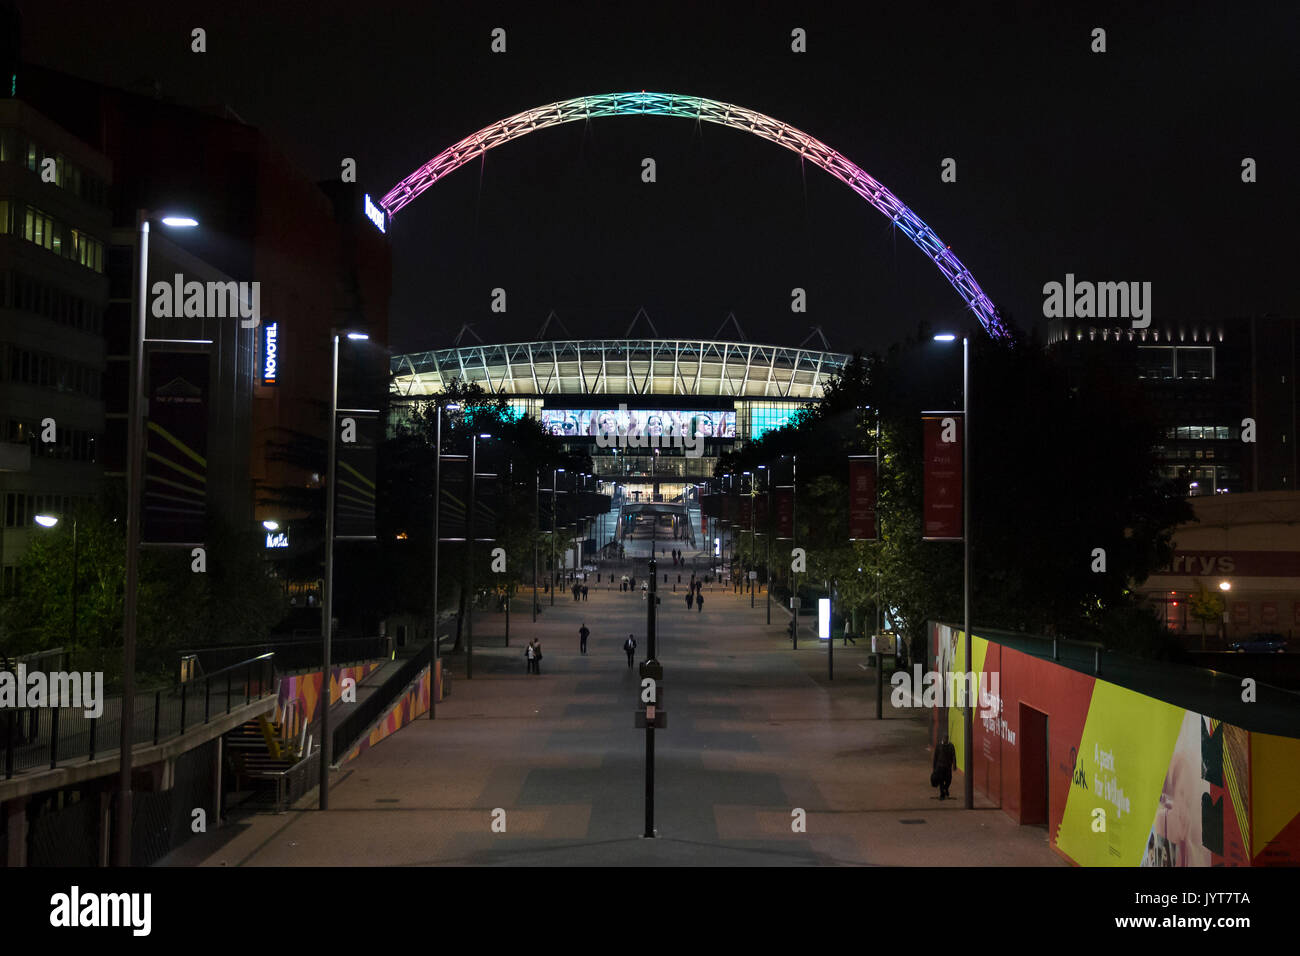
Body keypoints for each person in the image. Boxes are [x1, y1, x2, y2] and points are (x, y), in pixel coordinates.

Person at [933, 733, 956, 799]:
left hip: (948, 766)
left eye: (946, 738)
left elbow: (953, 756)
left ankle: (945, 788)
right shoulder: (939, 746)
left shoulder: (951, 746)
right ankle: (942, 794)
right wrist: (934, 767)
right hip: (940, 766)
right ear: (942, 738)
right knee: (941, 780)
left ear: (948, 739)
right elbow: (935, 757)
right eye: (944, 738)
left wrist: (954, 765)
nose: (945, 739)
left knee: (949, 780)